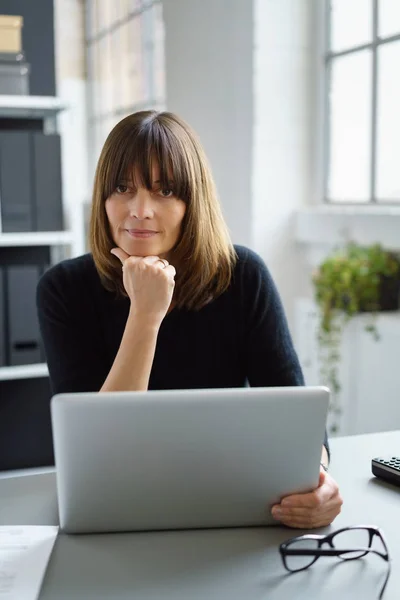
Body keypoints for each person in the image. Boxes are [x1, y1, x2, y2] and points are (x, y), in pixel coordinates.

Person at [37, 110, 343, 529]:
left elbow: (297, 414)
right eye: (122, 188)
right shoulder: (64, 288)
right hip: (115, 514)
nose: (140, 210)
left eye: (164, 192)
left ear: (191, 202)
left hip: (233, 510)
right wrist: (145, 314)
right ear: (102, 199)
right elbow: (98, 452)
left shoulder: (242, 275)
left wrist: (319, 479)